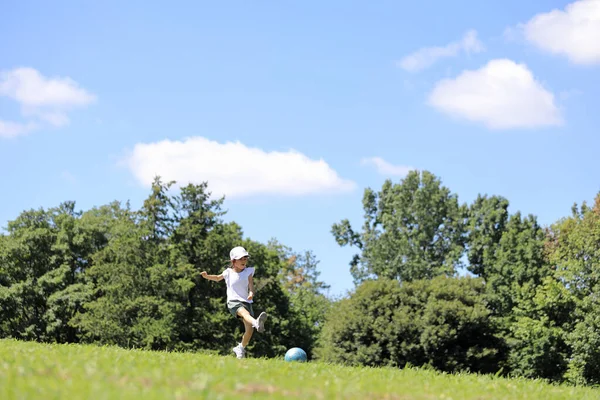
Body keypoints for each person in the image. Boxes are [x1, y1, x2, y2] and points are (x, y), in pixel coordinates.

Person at [200, 246, 268, 359]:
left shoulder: (248, 272)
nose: (244, 261)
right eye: (241, 259)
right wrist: (207, 276)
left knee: (249, 331)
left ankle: (240, 348)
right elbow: (217, 278)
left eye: (245, 258)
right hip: (233, 302)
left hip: (246, 302)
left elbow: (251, 286)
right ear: (233, 261)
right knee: (245, 314)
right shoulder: (228, 272)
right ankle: (257, 323)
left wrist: (251, 293)